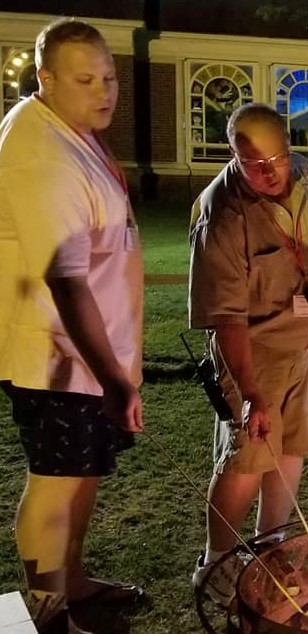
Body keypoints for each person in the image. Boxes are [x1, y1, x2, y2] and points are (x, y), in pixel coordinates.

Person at [0, 18, 145, 634]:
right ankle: (43, 611)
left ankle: (73, 582)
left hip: (92, 356)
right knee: (55, 483)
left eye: (108, 77)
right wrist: (115, 380)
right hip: (57, 356)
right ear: (46, 77)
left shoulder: (72, 129)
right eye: (85, 79)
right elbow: (66, 281)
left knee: (81, 472)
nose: (103, 90)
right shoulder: (40, 155)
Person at [188, 102, 308, 605]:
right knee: (246, 460)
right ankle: (218, 563)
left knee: (291, 448)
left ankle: (270, 546)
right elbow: (226, 318)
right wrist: (251, 394)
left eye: (277, 157)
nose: (270, 172)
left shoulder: (304, 175)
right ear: (233, 154)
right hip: (256, 354)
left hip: (306, 347)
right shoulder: (222, 213)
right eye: (255, 163)